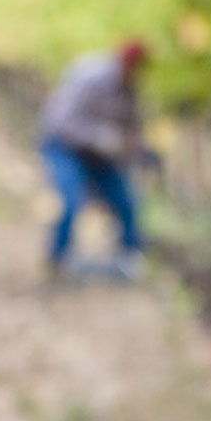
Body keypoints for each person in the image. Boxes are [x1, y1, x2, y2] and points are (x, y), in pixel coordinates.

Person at [38, 40, 149, 281]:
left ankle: (129, 256)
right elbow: (60, 120)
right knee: (70, 199)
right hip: (64, 146)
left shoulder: (131, 90)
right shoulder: (90, 77)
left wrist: (134, 154)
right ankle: (58, 259)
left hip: (99, 155)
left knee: (126, 200)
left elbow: (130, 133)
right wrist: (96, 136)